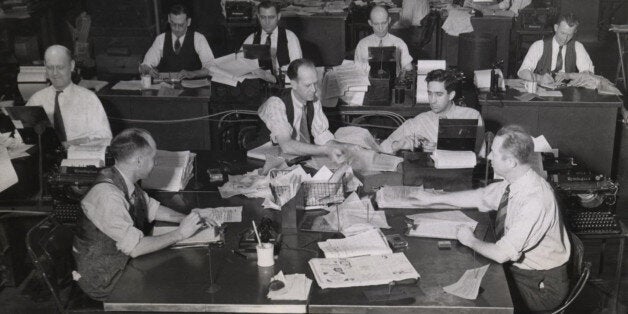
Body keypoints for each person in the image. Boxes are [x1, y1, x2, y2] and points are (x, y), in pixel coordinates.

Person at [410, 125, 571, 312]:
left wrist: (469, 240)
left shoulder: (535, 199)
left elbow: (501, 254)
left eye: (493, 153)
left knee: (462, 302)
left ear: (510, 162)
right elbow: (480, 196)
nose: (489, 157)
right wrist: (433, 199)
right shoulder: (518, 181)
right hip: (522, 271)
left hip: (540, 285)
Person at [72, 128, 206, 300]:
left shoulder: (120, 175)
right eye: (153, 158)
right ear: (139, 161)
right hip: (105, 279)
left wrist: (185, 218)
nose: (155, 163)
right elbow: (135, 248)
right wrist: (180, 233)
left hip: (120, 261)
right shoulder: (108, 196)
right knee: (179, 290)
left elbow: (150, 208)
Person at [257, 58, 345, 163]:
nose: (314, 89)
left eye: (315, 83)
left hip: (295, 158)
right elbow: (286, 145)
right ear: (293, 84)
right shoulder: (276, 103)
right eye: (308, 85)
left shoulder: (313, 101)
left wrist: (349, 148)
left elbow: (323, 137)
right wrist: (326, 150)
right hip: (264, 161)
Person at [380, 69, 483, 155]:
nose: (432, 100)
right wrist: (399, 145)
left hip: (462, 176)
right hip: (428, 176)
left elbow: (480, 156)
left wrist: (438, 151)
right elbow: (382, 147)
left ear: (451, 95)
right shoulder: (420, 121)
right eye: (430, 94)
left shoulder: (471, 116)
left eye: (439, 94)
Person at [26, 45, 111, 145]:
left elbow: (105, 138)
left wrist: (73, 143)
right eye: (50, 67)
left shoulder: (88, 99)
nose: (54, 73)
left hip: (80, 155)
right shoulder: (37, 99)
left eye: (60, 67)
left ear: (72, 65)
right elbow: (22, 136)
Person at [139, 4, 214, 79]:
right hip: (167, 88)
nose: (177, 29)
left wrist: (193, 73)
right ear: (169, 19)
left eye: (181, 25)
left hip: (194, 88)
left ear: (188, 22)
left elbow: (211, 67)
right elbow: (145, 65)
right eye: (173, 24)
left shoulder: (199, 39)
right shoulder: (161, 39)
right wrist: (148, 70)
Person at [518, 13, 594, 85]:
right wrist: (540, 78)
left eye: (569, 35)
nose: (565, 38)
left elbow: (590, 75)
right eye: (563, 33)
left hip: (567, 94)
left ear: (575, 32)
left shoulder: (578, 47)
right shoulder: (539, 45)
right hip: (542, 93)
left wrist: (569, 75)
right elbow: (522, 72)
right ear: (556, 28)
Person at [240, 1, 302, 83]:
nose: (267, 22)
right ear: (258, 17)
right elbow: (240, 64)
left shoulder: (290, 37)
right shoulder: (251, 38)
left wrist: (276, 78)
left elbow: (297, 69)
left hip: (283, 86)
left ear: (278, 16)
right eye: (263, 17)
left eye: (271, 17)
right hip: (257, 86)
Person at [354, 5, 413, 74]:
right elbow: (357, 71)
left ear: (389, 20)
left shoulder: (399, 43)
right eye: (376, 24)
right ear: (370, 23)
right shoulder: (362, 45)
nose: (380, 28)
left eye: (384, 23)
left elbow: (408, 68)